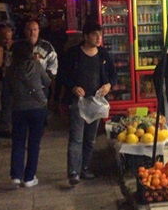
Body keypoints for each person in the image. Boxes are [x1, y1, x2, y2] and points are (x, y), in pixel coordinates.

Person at [59, 20, 117, 186]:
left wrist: (108, 85)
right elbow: (62, 75)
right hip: (78, 102)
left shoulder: (104, 54)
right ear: (85, 36)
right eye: (94, 34)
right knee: (76, 138)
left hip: (96, 102)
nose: (98, 37)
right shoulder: (73, 54)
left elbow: (113, 74)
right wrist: (73, 87)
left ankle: (84, 168)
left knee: (90, 138)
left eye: (100, 34)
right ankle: (74, 172)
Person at [8, 40, 50, 189]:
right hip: (37, 108)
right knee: (34, 144)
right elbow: (47, 81)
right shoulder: (36, 66)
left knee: (18, 143)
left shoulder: (11, 69)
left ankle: (16, 176)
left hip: (18, 109)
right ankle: (29, 178)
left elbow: (6, 89)